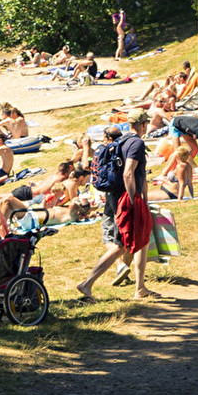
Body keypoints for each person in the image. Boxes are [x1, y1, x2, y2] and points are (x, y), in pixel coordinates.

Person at [74, 121, 154, 302]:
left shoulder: (120, 142)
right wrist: (134, 200)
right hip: (126, 198)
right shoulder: (136, 143)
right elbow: (128, 174)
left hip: (118, 195)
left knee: (142, 239)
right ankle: (86, 284)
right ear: (142, 124)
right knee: (121, 245)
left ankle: (140, 288)